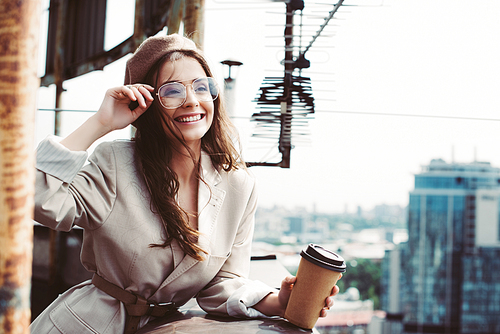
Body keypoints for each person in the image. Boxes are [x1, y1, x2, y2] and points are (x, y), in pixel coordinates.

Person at [31, 33, 339, 334]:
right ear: (148, 103)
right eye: (173, 91)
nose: (192, 101)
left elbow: (222, 284)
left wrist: (278, 301)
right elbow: (40, 200)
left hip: (164, 327)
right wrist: (100, 123)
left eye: (201, 87)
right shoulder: (116, 162)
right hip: (86, 322)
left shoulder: (238, 185)